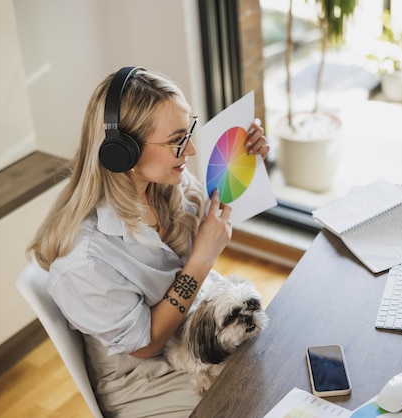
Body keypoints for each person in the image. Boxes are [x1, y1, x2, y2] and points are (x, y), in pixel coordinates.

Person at [26, 67, 270, 417]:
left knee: (278, 363)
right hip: (146, 377)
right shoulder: (84, 261)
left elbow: (217, 216)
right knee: (257, 398)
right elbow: (145, 343)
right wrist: (200, 261)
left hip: (195, 333)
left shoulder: (168, 188)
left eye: (189, 133)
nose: (191, 152)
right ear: (122, 153)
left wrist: (246, 161)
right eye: (177, 141)